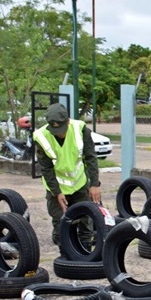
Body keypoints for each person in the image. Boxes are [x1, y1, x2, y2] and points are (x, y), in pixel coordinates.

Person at [33, 102, 102, 247]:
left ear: (68, 121)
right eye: (55, 130)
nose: (59, 133)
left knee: (85, 219)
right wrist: (57, 192)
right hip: (56, 186)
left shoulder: (81, 130)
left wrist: (94, 184)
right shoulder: (41, 137)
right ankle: (64, 247)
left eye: (62, 129)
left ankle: (85, 249)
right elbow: (46, 168)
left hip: (79, 183)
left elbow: (91, 157)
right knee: (61, 221)